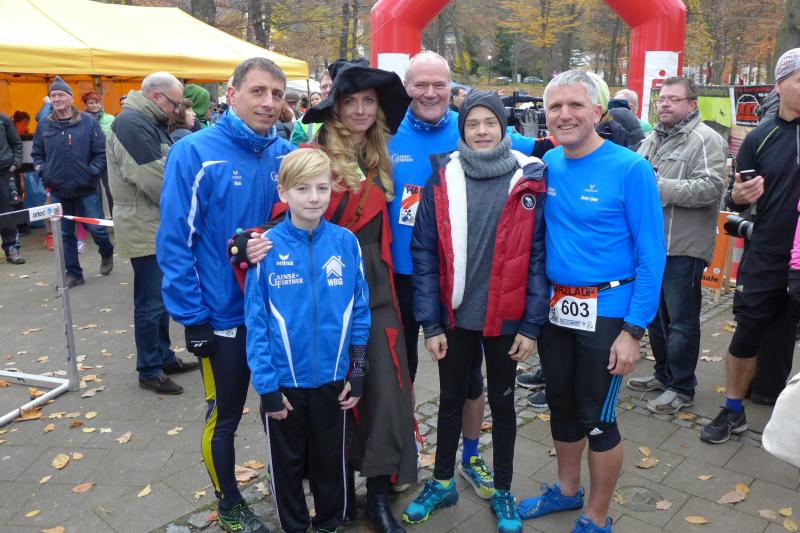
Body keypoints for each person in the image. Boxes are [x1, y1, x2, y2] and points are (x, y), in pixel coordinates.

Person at [242, 61, 417, 533]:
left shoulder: (381, 159)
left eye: (368, 101)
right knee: (322, 397)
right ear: (334, 108)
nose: (360, 110)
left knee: (383, 387)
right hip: (318, 290)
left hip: (375, 287)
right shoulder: (311, 155)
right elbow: (281, 220)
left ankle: (377, 493)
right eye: (349, 101)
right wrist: (247, 245)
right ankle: (323, 498)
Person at [518, 70, 664, 533]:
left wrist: (634, 331)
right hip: (558, 310)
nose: (564, 115)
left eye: (576, 105)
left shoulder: (630, 168)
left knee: (597, 417)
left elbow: (653, 254)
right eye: (555, 106)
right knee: (561, 406)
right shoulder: (548, 163)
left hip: (609, 312)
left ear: (597, 112)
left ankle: (596, 517)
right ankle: (566, 491)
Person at [157, 57, 295, 533]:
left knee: (283, 409)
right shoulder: (194, 152)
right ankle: (230, 502)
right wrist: (192, 317)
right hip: (223, 317)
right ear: (231, 94)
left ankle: (286, 484)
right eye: (258, 91)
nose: (269, 102)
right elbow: (175, 241)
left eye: (277, 94)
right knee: (226, 416)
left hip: (277, 313)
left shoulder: (285, 153)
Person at [403, 90, 547, 533]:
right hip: (455, 317)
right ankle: (443, 481)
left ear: (503, 127)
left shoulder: (528, 177)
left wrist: (531, 325)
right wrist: (430, 324)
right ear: (461, 129)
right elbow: (424, 252)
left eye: (490, 122)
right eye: (472, 123)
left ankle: (503, 489)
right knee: (450, 401)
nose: (481, 131)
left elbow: (538, 256)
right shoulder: (442, 176)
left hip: (506, 318)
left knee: (503, 405)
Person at [388, 51, 505, 501]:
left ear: (451, 86)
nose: (430, 92)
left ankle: (470, 456)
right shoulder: (386, 133)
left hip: (458, 280)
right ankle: (408, 449)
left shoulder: (472, 127)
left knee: (469, 377)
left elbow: (524, 158)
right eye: (420, 84)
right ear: (407, 87)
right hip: (400, 277)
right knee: (401, 373)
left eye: (439, 84)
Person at [244, 147, 370, 533]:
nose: (314, 198)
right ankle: (294, 526)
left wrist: (358, 371)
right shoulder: (266, 248)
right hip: (284, 386)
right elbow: (257, 324)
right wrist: (266, 387)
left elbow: (360, 312)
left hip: (333, 381)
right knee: (287, 465)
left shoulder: (346, 243)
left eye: (322, 188)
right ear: (283, 192)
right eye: (302, 189)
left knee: (331, 459)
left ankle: (331, 521)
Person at [700, 48, 800, 444]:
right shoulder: (759, 137)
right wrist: (738, 197)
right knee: (747, 333)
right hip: (766, 254)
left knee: (783, 337)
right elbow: (735, 198)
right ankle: (733, 409)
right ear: (780, 85)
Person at [630, 76, 727, 414]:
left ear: (692, 104)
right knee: (655, 318)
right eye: (662, 99)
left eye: (674, 98)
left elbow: (712, 188)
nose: (665, 104)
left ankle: (682, 387)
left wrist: (659, 187)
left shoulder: (706, 139)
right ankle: (663, 374)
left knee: (681, 322)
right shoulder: (650, 140)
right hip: (650, 247)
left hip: (684, 247)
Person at [106, 72, 199, 395]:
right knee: (150, 302)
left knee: (159, 298)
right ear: (157, 97)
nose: (177, 109)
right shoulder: (132, 124)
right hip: (144, 224)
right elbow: (155, 180)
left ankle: (163, 357)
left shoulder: (144, 121)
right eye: (174, 103)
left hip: (151, 222)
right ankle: (149, 369)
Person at [32, 76, 113, 287]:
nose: (56, 99)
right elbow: (37, 154)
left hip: (86, 187)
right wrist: (43, 171)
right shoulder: (44, 125)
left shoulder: (88, 122)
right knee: (65, 233)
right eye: (53, 96)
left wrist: (91, 173)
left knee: (96, 229)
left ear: (70, 98)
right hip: (58, 189)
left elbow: (101, 153)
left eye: (61, 95)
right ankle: (74, 274)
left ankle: (107, 251)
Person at [82, 91, 116, 218]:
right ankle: (99, 222)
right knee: (95, 193)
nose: (95, 105)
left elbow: (115, 139)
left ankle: (115, 220)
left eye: (97, 102)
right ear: (86, 104)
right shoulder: (81, 119)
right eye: (91, 103)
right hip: (90, 161)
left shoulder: (110, 118)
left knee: (111, 191)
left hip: (107, 159)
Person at [0, 110, 24, 264]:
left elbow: (17, 144)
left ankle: (12, 249)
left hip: (4, 172)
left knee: (7, 212)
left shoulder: (3, 119)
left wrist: (15, 165)